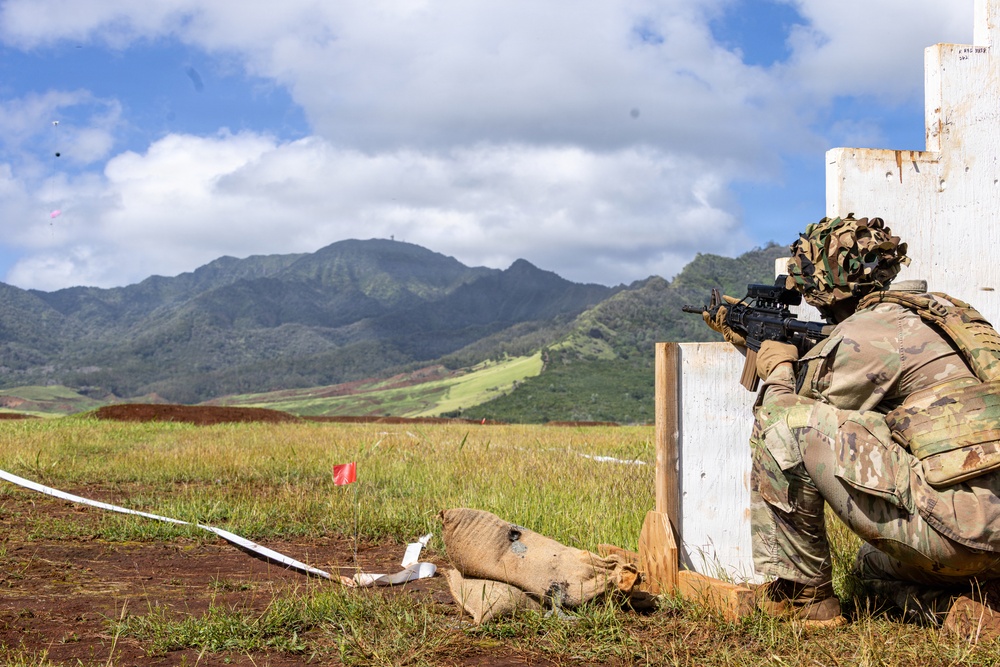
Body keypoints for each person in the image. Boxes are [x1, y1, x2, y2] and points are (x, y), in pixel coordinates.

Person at [704, 214, 1000, 632]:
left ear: (823, 279)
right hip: (988, 523)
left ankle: (803, 599)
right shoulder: (947, 314)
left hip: (959, 531)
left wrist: (776, 369)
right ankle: (967, 610)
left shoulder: (870, 331)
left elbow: (782, 417)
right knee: (871, 569)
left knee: (790, 427)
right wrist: (752, 342)